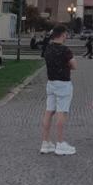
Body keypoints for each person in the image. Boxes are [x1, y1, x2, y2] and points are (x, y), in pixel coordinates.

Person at [40, 24, 77, 156]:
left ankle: (45, 142)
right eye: (66, 34)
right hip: (63, 84)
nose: (66, 36)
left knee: (49, 111)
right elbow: (74, 65)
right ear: (62, 35)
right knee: (62, 112)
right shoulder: (65, 50)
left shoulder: (48, 48)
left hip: (51, 83)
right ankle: (60, 143)